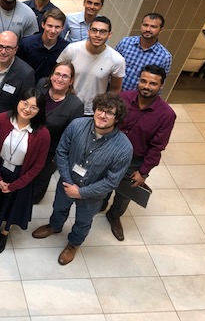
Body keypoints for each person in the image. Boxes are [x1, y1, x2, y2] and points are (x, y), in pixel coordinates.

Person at [32, 93, 133, 265]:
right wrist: (68, 181)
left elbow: (111, 181)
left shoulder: (124, 148)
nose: (102, 115)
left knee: (83, 221)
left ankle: (73, 244)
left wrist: (81, 192)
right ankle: (54, 226)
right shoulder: (77, 125)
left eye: (109, 112)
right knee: (59, 207)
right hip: (66, 182)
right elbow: (62, 151)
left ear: (117, 118)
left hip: (92, 195)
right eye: (100, 110)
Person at [0, 88, 50, 254]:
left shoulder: (43, 134)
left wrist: (15, 185)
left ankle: (4, 233)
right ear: (18, 101)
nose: (27, 109)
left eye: (34, 107)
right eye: (25, 103)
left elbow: (38, 165)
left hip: (20, 177)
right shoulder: (2, 119)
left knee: (11, 206)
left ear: (39, 111)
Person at [104, 65, 176, 240]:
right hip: (109, 152)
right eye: (143, 81)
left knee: (125, 192)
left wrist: (143, 172)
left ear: (161, 86)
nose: (146, 86)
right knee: (104, 182)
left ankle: (114, 216)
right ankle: (100, 204)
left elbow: (157, 147)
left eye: (153, 83)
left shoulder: (166, 114)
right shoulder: (122, 98)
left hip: (135, 160)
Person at [33, 62, 85, 203]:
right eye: (57, 74)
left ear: (71, 81)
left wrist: (57, 158)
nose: (60, 79)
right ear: (51, 76)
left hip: (50, 151)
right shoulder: (41, 86)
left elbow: (71, 137)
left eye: (65, 76)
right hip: (29, 140)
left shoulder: (75, 105)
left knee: (41, 178)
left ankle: (33, 199)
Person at [57, 16, 126, 115]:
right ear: (88, 32)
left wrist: (104, 108)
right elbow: (57, 73)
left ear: (109, 35)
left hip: (93, 110)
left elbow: (115, 89)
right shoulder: (72, 49)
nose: (97, 35)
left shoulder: (117, 60)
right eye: (94, 30)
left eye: (103, 32)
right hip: (66, 103)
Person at [115, 13, 172, 92]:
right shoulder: (125, 43)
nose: (148, 29)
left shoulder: (164, 57)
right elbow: (111, 65)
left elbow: (158, 85)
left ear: (161, 30)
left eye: (153, 27)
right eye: (145, 25)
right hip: (113, 93)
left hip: (136, 100)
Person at [17, 8, 69, 80]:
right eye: (50, 26)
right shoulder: (26, 44)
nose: (53, 31)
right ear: (43, 25)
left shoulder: (66, 48)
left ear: (62, 28)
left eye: (57, 27)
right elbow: (18, 68)